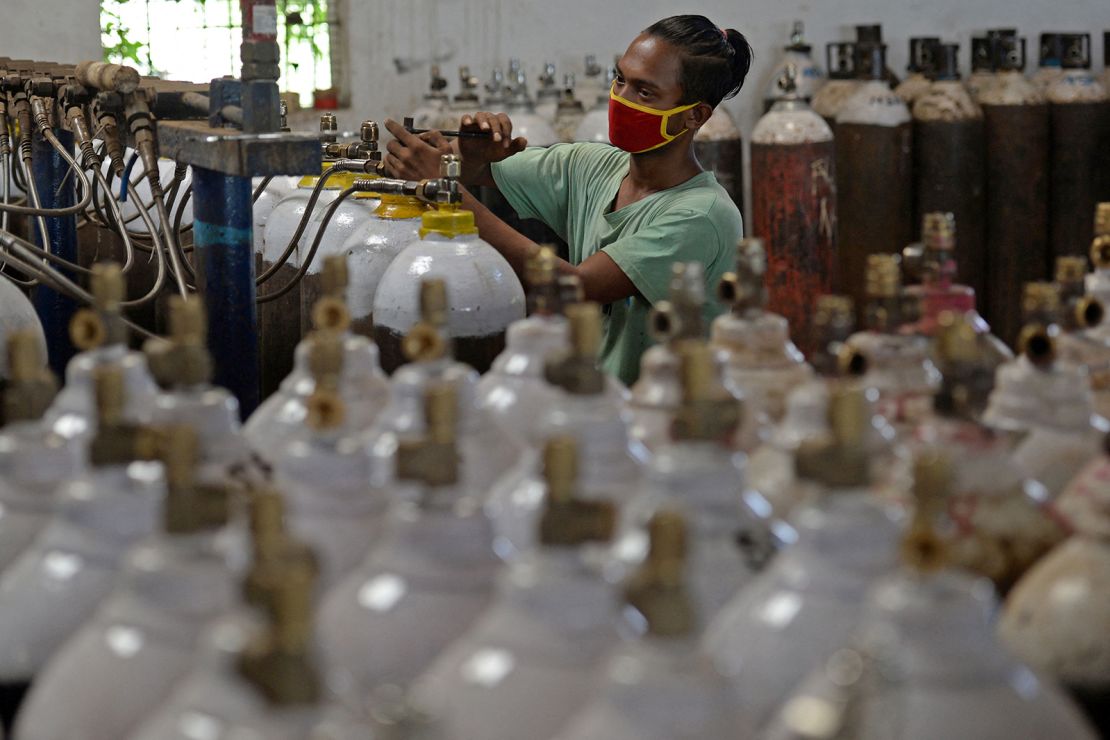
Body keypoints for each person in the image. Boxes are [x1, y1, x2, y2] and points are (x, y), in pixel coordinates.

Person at [382, 15, 752, 385]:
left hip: (662, 414)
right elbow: (477, 173)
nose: (620, 98)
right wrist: (467, 156)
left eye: (645, 92)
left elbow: (580, 288)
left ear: (694, 115)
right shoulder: (592, 165)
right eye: (620, 78)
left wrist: (450, 194)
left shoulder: (702, 216)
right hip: (590, 394)